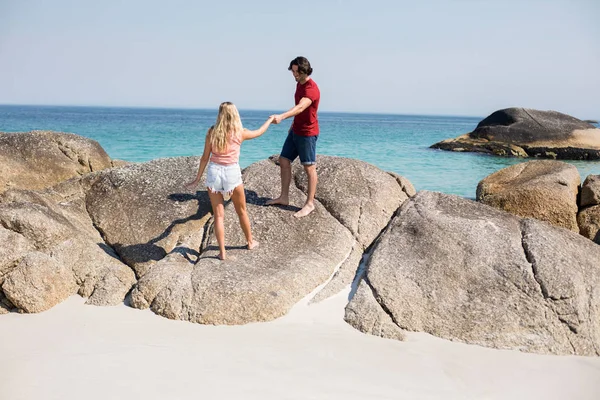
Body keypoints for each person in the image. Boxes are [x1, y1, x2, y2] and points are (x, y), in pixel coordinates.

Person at [186, 102, 274, 261]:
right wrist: (270, 120)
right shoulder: (240, 132)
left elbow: (205, 157)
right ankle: (250, 242)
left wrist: (197, 178)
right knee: (241, 211)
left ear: (219, 115)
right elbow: (259, 132)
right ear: (235, 114)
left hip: (214, 172)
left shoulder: (211, 132)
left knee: (219, 216)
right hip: (231, 173)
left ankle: (222, 252)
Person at [267, 56, 321, 218]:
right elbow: (300, 111)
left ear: (305, 70)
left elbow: (301, 107)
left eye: (297, 72)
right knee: (284, 160)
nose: (294, 75)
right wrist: (292, 125)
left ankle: (309, 204)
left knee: (309, 167)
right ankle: (284, 197)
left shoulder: (311, 89)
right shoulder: (299, 84)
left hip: (307, 134)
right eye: (293, 71)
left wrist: (282, 117)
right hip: (295, 131)